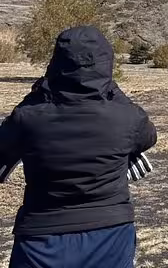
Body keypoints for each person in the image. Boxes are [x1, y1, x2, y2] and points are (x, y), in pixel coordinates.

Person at [0, 26, 157, 268]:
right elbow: (148, 137)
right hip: (109, 233)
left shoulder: (28, 117)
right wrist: (111, 88)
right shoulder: (126, 117)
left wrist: (38, 91)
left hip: (41, 238)